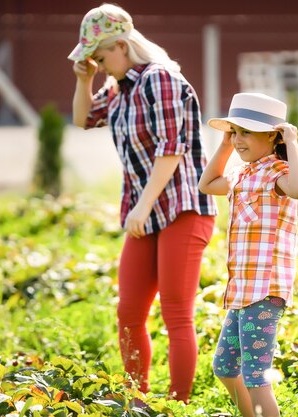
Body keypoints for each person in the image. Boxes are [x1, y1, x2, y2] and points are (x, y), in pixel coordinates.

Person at [68, 3, 217, 402]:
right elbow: (83, 120)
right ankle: (139, 400)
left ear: (121, 45)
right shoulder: (118, 89)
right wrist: (84, 81)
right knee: (129, 313)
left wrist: (143, 204)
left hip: (182, 208)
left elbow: (172, 149)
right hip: (146, 214)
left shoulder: (160, 79)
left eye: (101, 57)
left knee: (175, 313)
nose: (100, 64)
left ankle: (178, 403)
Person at [198, 92, 298, 417]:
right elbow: (208, 184)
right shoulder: (240, 173)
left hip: (265, 290)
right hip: (242, 290)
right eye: (234, 131)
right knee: (223, 366)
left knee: (255, 376)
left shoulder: (278, 173)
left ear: (272, 136)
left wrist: (292, 143)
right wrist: (225, 145)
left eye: (245, 132)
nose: (238, 139)